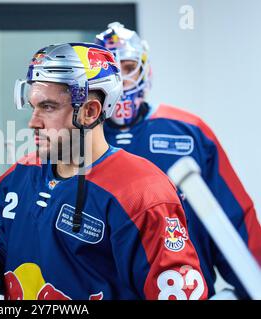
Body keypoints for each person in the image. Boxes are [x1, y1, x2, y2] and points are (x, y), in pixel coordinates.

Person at [0, 43, 208, 300]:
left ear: (90, 111)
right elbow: (5, 252)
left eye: (47, 107)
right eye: (33, 107)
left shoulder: (142, 192)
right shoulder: (18, 177)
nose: (33, 122)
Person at [95, 22, 261, 298]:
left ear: (144, 70)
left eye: (127, 68)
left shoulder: (189, 130)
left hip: (184, 287)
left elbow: (232, 217)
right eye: (112, 71)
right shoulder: (81, 139)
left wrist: (252, 284)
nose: (121, 82)